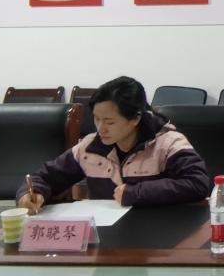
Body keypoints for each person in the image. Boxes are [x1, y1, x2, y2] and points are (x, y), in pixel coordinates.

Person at [17, 76, 210, 210]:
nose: (101, 128)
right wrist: (30, 193)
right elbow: (45, 177)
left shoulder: (168, 143)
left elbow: (197, 183)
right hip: (107, 238)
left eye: (109, 122)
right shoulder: (90, 147)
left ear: (135, 118)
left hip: (159, 234)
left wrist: (136, 193)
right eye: (96, 119)